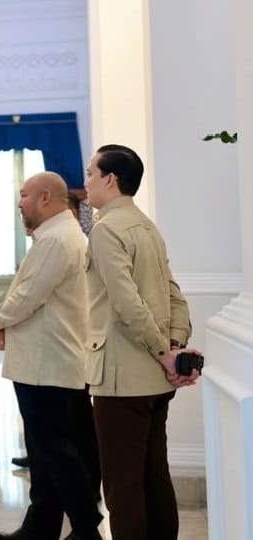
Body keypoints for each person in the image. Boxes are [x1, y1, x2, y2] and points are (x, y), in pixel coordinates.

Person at [84, 144, 201, 540]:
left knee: (123, 486)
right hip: (153, 376)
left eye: (90, 174)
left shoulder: (106, 229)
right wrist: (175, 346)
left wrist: (166, 352)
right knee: (154, 476)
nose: (86, 183)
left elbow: (126, 303)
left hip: (121, 376)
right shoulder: (147, 226)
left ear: (109, 180)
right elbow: (175, 295)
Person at [0, 173, 102, 540]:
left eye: (24, 195)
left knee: (56, 451)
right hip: (50, 360)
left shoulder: (56, 239)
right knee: (44, 451)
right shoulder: (63, 235)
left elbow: (27, 296)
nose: (20, 202)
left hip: (47, 364)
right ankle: (41, 527)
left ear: (46, 197)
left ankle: (86, 528)